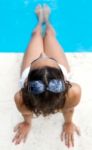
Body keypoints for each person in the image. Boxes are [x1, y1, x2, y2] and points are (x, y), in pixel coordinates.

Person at [12, 4, 81, 148]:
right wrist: (27, 122)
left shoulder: (21, 98)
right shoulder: (73, 91)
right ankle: (42, 20)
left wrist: (68, 122)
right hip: (47, 73)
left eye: (38, 59)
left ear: (27, 82)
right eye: (49, 59)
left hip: (40, 74)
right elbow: (68, 108)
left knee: (39, 35)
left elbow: (68, 109)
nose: (43, 53)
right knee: (48, 35)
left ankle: (45, 21)